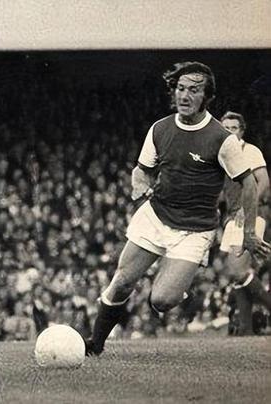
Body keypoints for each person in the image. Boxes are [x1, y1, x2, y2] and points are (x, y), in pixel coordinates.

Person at [84, 62, 271, 356]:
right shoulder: (160, 129)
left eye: (194, 90)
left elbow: (248, 183)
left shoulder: (221, 138)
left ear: (207, 96)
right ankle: (95, 345)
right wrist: (139, 183)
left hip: (194, 230)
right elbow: (141, 170)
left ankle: (180, 281)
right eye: (180, 88)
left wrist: (248, 232)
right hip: (157, 216)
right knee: (122, 281)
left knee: (161, 301)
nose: (184, 95)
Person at [218, 111, 270, 335]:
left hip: (251, 214)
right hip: (232, 216)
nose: (229, 132)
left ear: (242, 131)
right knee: (236, 272)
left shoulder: (250, 151)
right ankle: (246, 331)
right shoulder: (220, 154)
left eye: (234, 128)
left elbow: (264, 181)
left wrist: (247, 207)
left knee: (237, 269)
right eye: (225, 128)